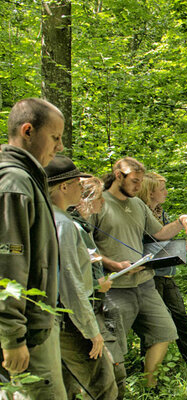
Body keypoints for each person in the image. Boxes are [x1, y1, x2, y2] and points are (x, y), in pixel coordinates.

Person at [89, 157, 187, 389]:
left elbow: (159, 234)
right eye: (135, 182)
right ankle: (114, 388)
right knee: (114, 344)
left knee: (165, 332)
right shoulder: (99, 203)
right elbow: (85, 248)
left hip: (144, 283)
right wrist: (112, 264)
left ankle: (150, 385)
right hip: (116, 288)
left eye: (140, 182)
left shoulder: (137, 205)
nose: (139, 187)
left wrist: (181, 220)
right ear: (119, 176)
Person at [0, 98, 67, 399]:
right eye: (55, 137)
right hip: (25, 335)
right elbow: (7, 265)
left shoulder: (27, 179)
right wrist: (12, 336)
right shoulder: (13, 184)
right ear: (28, 131)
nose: (60, 147)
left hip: (34, 328)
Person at [45, 156, 117, 400]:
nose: (81, 187)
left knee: (66, 387)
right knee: (104, 386)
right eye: (77, 182)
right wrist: (91, 330)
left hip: (52, 316)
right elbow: (70, 284)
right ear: (64, 187)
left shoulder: (44, 217)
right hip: (68, 319)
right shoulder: (63, 223)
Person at [136, 172, 187, 372]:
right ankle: (149, 374)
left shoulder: (161, 213)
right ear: (150, 192)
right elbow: (146, 245)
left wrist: (178, 249)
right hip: (149, 279)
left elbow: (162, 242)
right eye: (162, 189)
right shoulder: (139, 214)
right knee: (153, 326)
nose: (166, 193)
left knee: (181, 320)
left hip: (167, 275)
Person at [72, 176, 128, 398]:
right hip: (85, 312)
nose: (102, 203)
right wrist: (97, 284)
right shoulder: (72, 228)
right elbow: (70, 278)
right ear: (82, 200)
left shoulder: (83, 227)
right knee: (108, 376)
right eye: (98, 198)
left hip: (96, 306)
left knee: (115, 371)